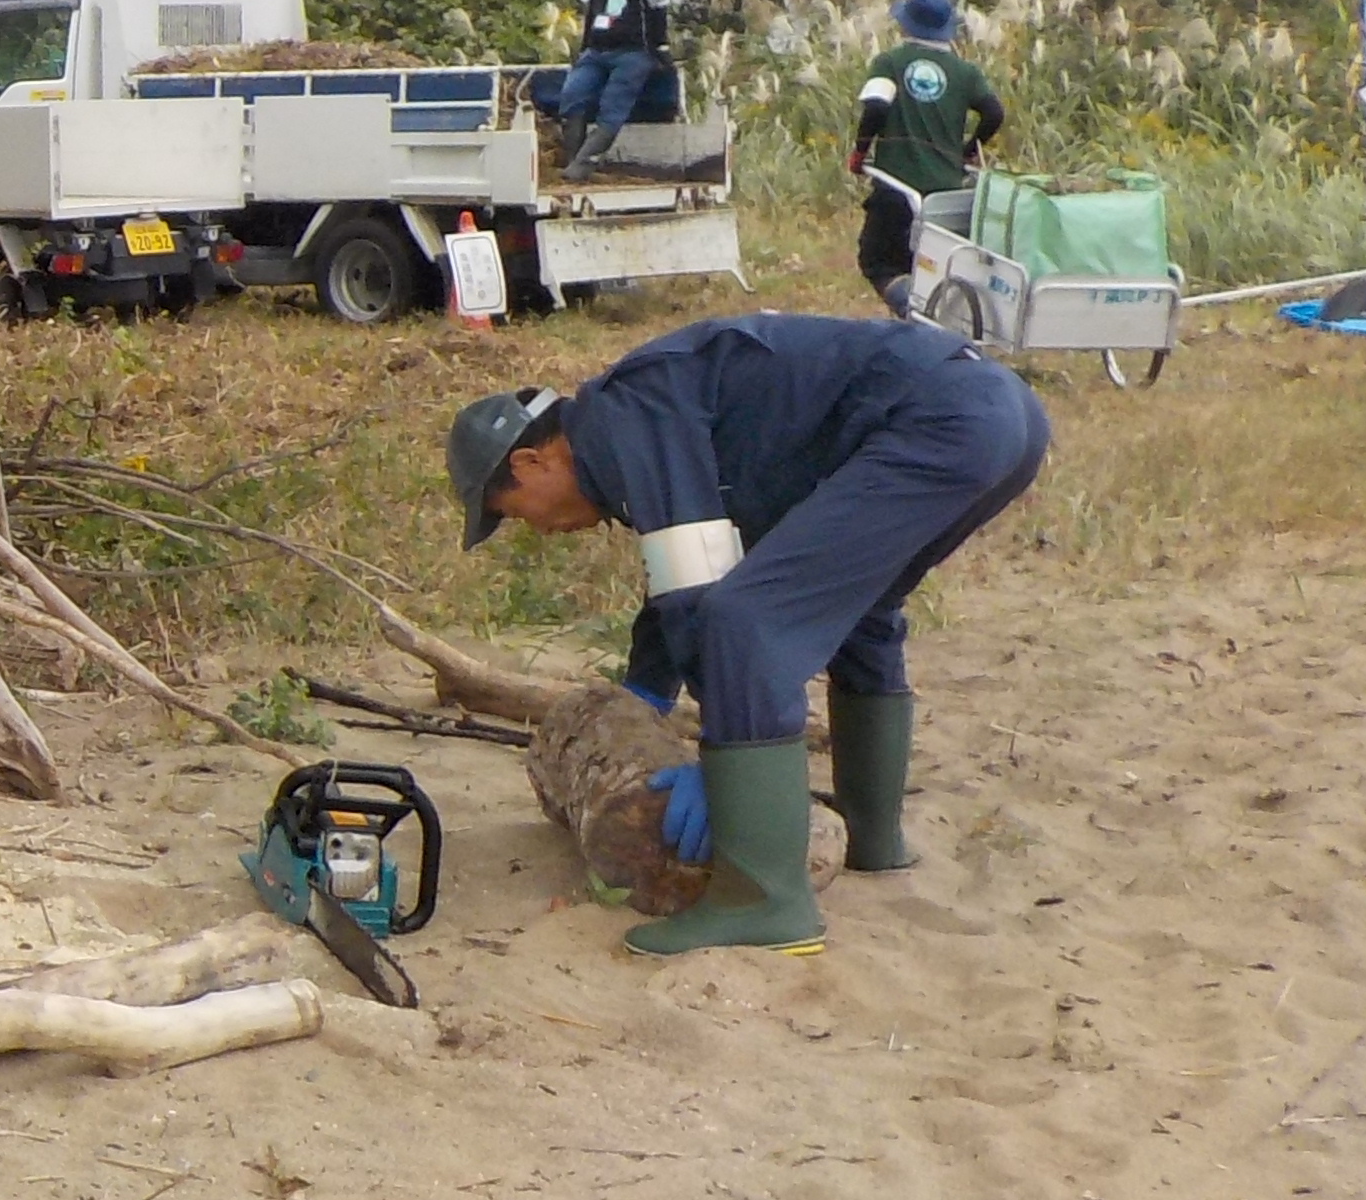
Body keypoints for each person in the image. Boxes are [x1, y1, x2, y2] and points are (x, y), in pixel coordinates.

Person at [442, 311, 1047, 956]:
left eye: (513, 514)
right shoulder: (634, 418)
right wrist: (645, 692)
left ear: (532, 462)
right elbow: (684, 564)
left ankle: (765, 899)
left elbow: (702, 596)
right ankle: (872, 837)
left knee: (744, 621)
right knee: (863, 609)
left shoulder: (622, 416)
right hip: (1003, 416)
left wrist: (722, 754)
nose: (537, 530)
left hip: (942, 421)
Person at [849, 0, 1005, 320]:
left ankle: (913, 312)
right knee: (931, 263)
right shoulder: (965, 72)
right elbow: (994, 113)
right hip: (947, 193)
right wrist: (968, 149)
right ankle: (928, 315)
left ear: (906, 25)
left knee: (877, 261)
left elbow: (876, 108)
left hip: (897, 189)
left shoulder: (889, 62)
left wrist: (860, 152)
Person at [550, 0, 680, 181]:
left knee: (614, 103)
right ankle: (574, 161)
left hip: (634, 50)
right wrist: (584, 48)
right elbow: (591, 10)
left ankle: (583, 165)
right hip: (598, 48)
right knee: (573, 94)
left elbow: (658, 9)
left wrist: (660, 48)